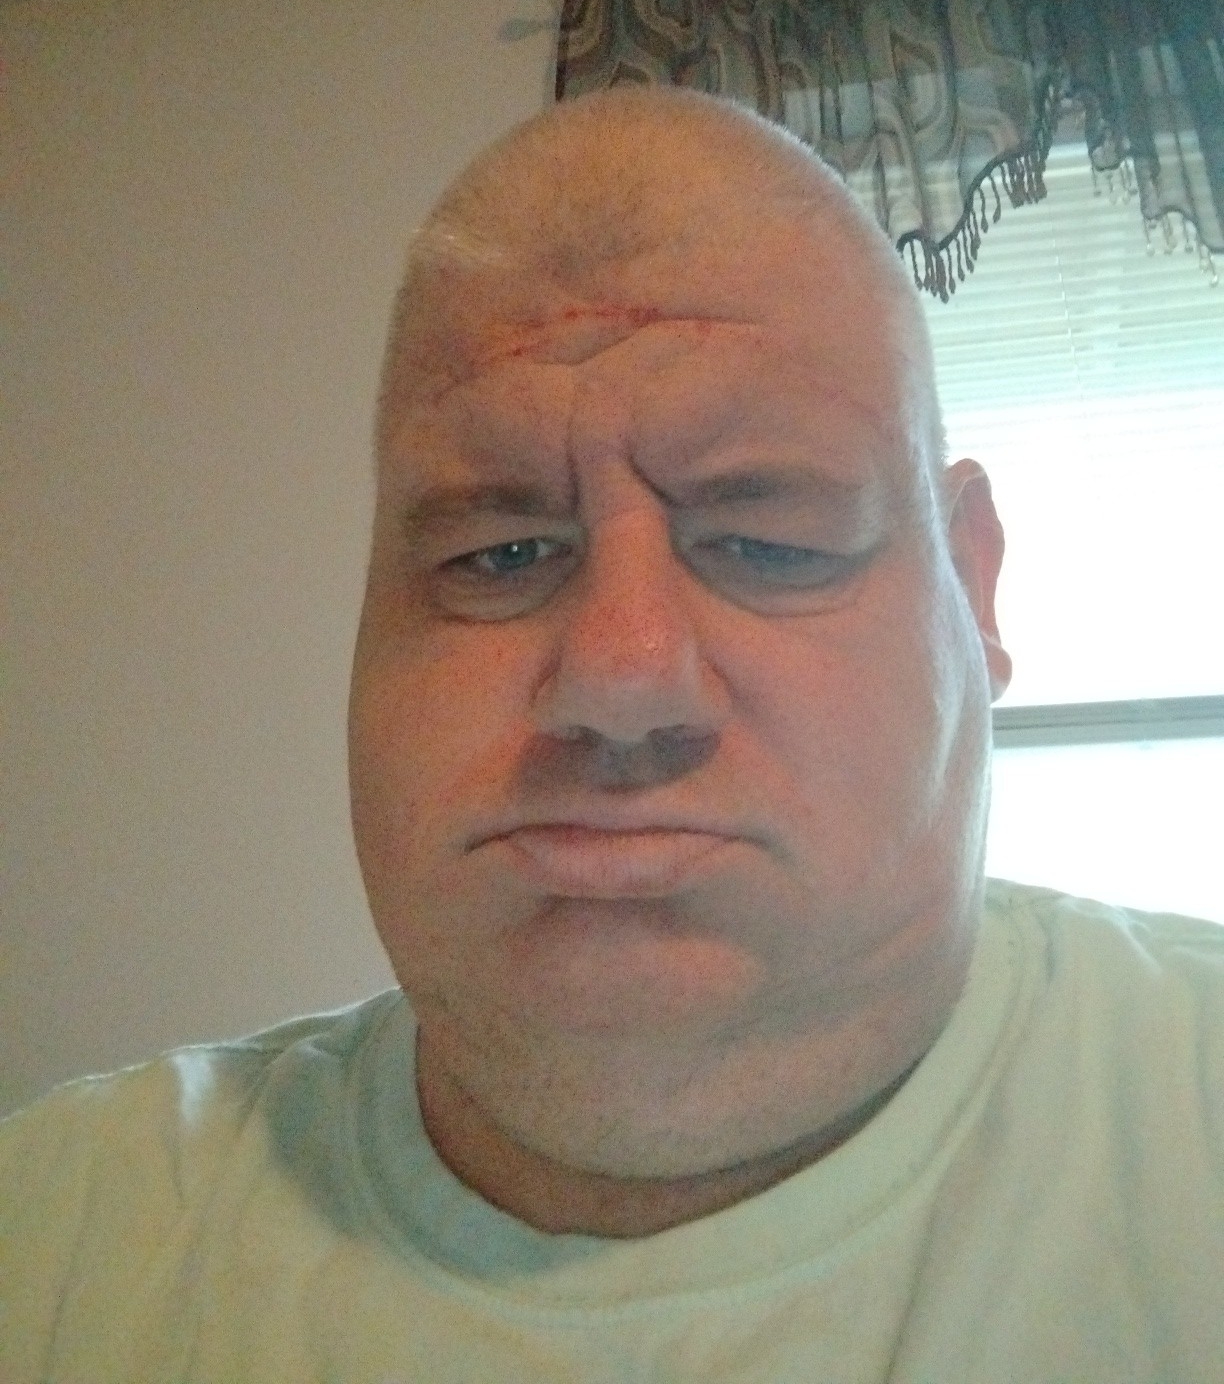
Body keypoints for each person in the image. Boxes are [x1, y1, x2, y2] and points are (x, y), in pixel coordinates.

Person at [2, 88, 1221, 1382]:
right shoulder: (54, 1244)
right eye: (500, 553)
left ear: (973, 590)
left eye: (767, 542)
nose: (623, 677)